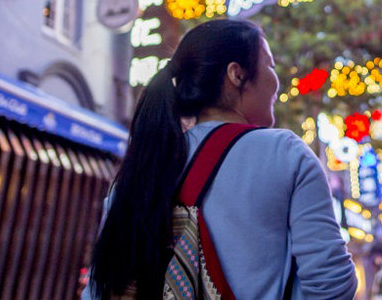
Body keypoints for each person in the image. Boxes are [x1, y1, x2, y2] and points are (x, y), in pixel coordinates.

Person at [84, 19, 356, 300]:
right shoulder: (285, 153)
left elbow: (99, 290)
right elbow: (332, 284)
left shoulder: (140, 172)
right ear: (237, 75)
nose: (276, 81)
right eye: (270, 65)